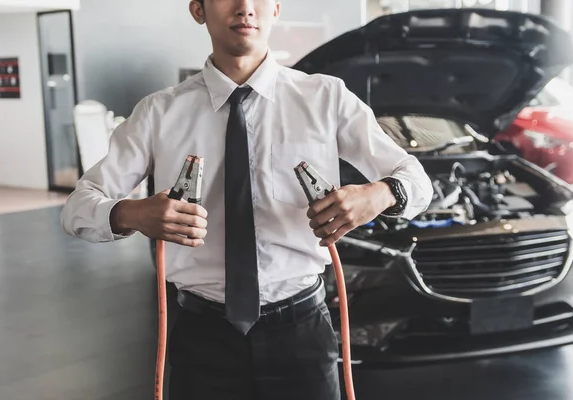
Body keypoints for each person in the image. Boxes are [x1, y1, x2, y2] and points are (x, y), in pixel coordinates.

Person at [61, 0, 433, 399]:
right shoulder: (159, 113)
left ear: (275, 9)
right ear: (198, 10)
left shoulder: (325, 98)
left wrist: (377, 195)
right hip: (200, 338)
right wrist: (132, 213)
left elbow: (416, 180)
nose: (244, 8)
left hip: (301, 335)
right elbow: (77, 208)